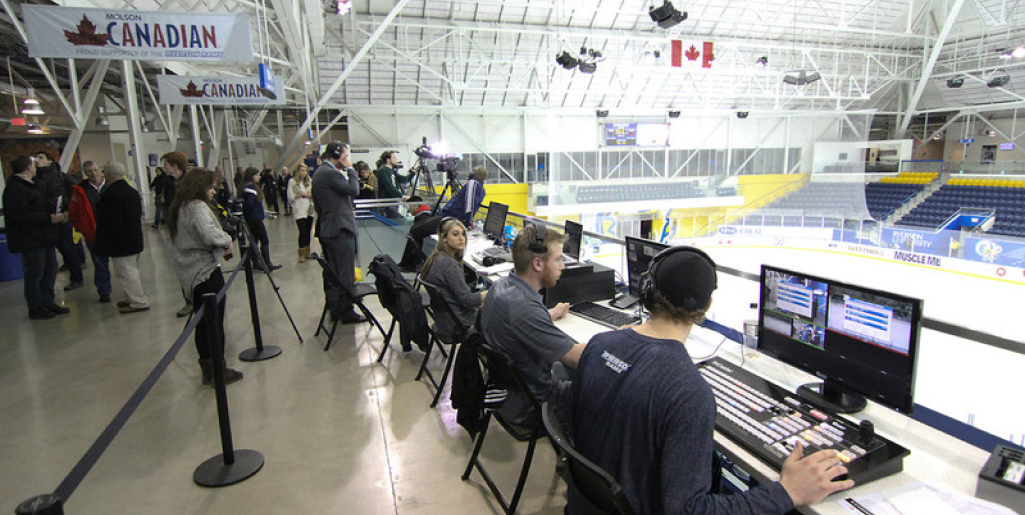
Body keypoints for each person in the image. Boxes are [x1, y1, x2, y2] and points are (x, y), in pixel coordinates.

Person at [568, 246, 855, 515]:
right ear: (707, 305)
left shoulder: (599, 343)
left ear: (648, 289)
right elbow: (689, 510)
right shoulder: (688, 392)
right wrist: (787, 492)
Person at [480, 223, 581, 428]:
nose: (562, 266)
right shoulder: (524, 307)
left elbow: (518, 322)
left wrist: (548, 315)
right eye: (558, 259)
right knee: (609, 385)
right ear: (537, 264)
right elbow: (576, 358)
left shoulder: (500, 287)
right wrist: (622, 339)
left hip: (513, 390)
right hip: (535, 403)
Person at [167, 168, 243, 385]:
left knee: (203, 324)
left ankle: (208, 369)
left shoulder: (181, 207)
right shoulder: (197, 207)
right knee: (214, 323)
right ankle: (218, 370)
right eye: (210, 187)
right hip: (205, 272)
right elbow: (208, 233)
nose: (212, 192)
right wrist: (226, 237)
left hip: (191, 273)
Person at [2, 155, 68, 319]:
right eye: (34, 164)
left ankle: (47, 301)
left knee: (49, 270)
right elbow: (20, 215)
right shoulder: (15, 188)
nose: (36, 166)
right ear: (28, 168)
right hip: (30, 239)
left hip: (43, 236)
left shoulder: (31, 185)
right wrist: (48, 218)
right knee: (35, 273)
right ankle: (35, 306)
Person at [311, 141, 365, 324]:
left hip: (329, 228)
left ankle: (336, 308)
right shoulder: (330, 173)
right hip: (340, 231)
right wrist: (351, 170)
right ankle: (346, 311)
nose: (347, 159)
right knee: (345, 273)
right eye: (346, 156)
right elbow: (354, 190)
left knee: (334, 274)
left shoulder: (320, 173)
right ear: (336, 155)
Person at [397, 165, 489, 270]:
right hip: (449, 217)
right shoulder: (481, 189)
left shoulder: (473, 184)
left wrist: (466, 224)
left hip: (450, 219)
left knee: (416, 230)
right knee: (417, 228)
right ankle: (409, 262)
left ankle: (411, 263)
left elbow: (469, 206)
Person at [95, 162, 150, 314]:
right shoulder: (131, 191)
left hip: (121, 241)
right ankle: (132, 297)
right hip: (133, 238)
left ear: (108, 174)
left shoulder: (112, 194)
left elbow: (110, 219)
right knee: (132, 270)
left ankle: (138, 302)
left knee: (126, 273)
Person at [420, 218, 487, 342]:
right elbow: (467, 300)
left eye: (463, 234)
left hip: (445, 320)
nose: (461, 238)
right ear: (444, 238)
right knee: (502, 313)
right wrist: (491, 292)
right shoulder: (448, 264)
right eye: (455, 234)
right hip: (457, 324)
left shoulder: (436, 257)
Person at [34, 150, 84, 291]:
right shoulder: (36, 179)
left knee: (68, 248)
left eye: (41, 157)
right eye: (36, 158)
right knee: (57, 250)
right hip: (46, 220)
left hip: (62, 219)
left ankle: (77, 277)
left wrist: (68, 212)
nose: (37, 160)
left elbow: (76, 194)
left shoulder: (61, 177)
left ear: (50, 161)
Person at [69, 161, 112, 303]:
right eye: (89, 171)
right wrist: (82, 227)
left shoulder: (111, 185)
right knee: (99, 263)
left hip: (112, 231)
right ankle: (104, 291)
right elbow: (74, 212)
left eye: (95, 170)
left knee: (123, 264)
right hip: (93, 232)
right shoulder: (80, 190)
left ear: (99, 169)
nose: (93, 174)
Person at [162, 152, 194, 318]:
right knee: (181, 266)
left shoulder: (190, 181)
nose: (164, 167)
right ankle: (189, 300)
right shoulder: (168, 182)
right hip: (175, 227)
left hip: (191, 228)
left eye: (166, 164)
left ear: (174, 165)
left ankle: (200, 298)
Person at [241, 167, 281, 272]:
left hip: (253, 218)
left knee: (255, 240)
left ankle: (256, 263)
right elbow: (248, 205)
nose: (259, 177)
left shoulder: (247, 187)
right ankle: (267, 263)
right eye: (257, 175)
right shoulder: (251, 189)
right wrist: (256, 213)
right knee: (264, 240)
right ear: (252, 176)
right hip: (255, 219)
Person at [287, 163, 314, 263]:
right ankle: (301, 253)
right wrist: (302, 194)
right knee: (302, 231)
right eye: (302, 170)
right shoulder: (292, 182)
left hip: (309, 209)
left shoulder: (309, 181)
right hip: (299, 209)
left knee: (308, 231)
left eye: (305, 170)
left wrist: (309, 195)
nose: (304, 173)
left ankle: (307, 251)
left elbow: (312, 192)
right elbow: (290, 196)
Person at [375, 150, 411, 218]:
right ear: (388, 159)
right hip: (388, 203)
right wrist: (401, 196)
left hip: (394, 202)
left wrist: (414, 172)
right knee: (399, 220)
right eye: (394, 157)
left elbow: (404, 179)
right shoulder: (383, 171)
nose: (396, 159)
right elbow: (389, 187)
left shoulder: (392, 171)